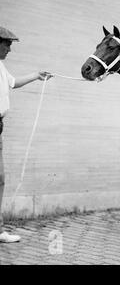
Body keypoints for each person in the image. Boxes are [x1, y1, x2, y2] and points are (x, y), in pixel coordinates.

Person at [0, 26, 52, 243]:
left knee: (0, 179)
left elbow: (13, 83)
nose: (10, 49)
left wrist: (36, 76)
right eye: (7, 44)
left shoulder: (0, 67)